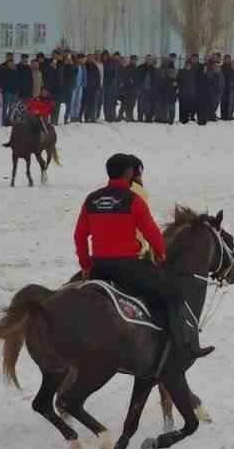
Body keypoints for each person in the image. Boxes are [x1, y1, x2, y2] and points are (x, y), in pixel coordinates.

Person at [76, 154, 210, 367]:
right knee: (173, 294)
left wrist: (85, 265)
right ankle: (183, 346)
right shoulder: (133, 200)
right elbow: (152, 233)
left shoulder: (92, 199)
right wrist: (161, 254)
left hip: (99, 267)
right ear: (129, 173)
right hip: (129, 267)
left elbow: (80, 236)